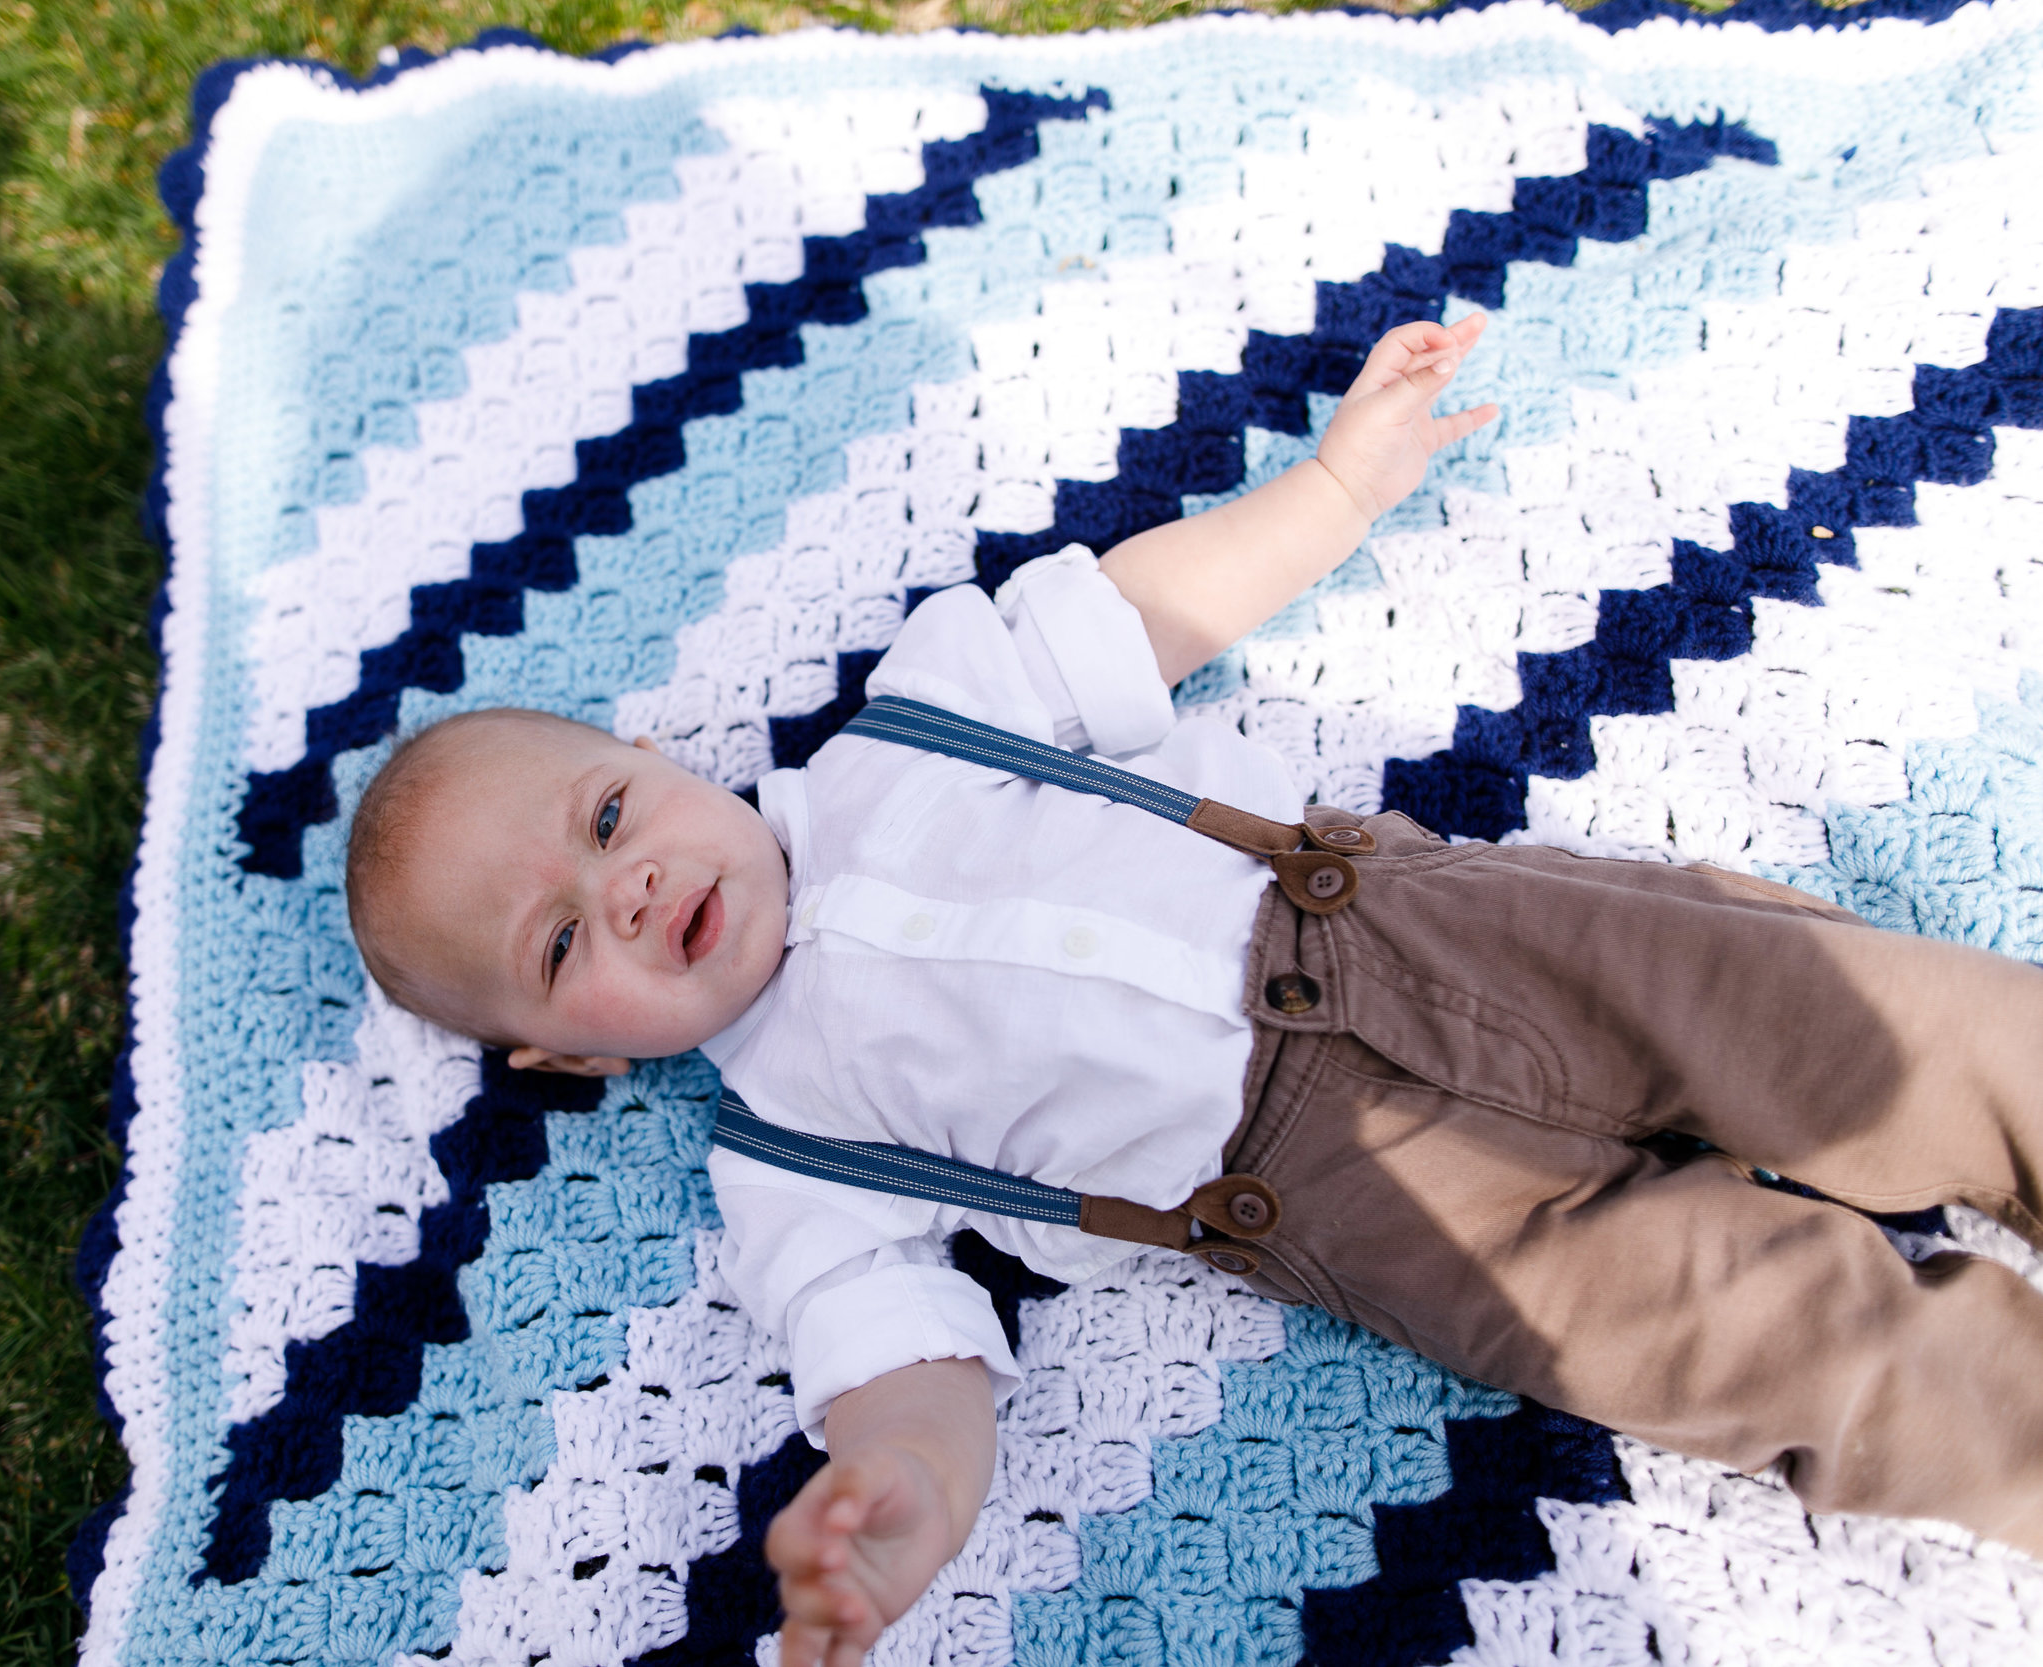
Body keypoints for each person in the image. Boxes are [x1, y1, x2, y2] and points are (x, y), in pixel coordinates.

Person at [342, 314, 2043, 1667]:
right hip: (1396, 1215)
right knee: (1790, 1360)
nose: (623, 888)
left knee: (1865, 1026)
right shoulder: (790, 1161)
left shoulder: (919, 714)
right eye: (564, 942)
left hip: (1458, 938)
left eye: (607, 818)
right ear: (562, 1058)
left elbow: (1144, 611)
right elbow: (906, 1373)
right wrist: (900, 1502)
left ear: (660, 761)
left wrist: (1339, 491)